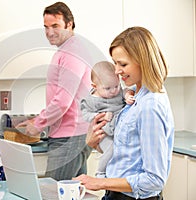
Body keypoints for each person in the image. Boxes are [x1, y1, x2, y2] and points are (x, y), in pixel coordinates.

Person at [74, 26, 174, 200]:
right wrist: (94, 143)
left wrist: (100, 182)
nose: (116, 71)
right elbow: (127, 154)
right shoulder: (133, 96)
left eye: (123, 64)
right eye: (115, 63)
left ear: (142, 61)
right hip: (116, 194)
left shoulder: (150, 106)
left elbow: (155, 179)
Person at [16, 2, 93, 181]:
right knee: (73, 191)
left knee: (53, 193)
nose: (49, 32)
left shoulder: (71, 54)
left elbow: (63, 101)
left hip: (69, 137)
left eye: (55, 26)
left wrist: (38, 125)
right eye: (46, 27)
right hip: (75, 134)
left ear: (70, 24)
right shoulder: (68, 50)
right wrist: (38, 119)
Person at [80, 61, 135, 177]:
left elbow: (124, 91)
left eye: (116, 86)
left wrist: (127, 95)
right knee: (111, 150)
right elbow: (84, 113)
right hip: (105, 133)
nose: (114, 91)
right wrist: (98, 116)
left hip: (119, 129)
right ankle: (101, 172)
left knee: (120, 152)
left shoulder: (118, 91)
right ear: (94, 86)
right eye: (108, 88)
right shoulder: (91, 100)